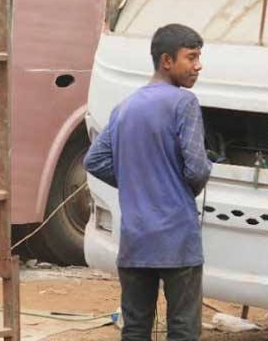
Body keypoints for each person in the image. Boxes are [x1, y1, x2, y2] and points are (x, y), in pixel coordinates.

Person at [85, 23, 213, 341]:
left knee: (136, 328)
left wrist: (135, 181)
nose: (198, 65)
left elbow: (94, 161)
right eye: (191, 57)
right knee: (182, 328)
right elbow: (197, 168)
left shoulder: (124, 107)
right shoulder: (184, 103)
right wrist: (180, 189)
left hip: (135, 240)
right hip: (177, 240)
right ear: (166, 60)